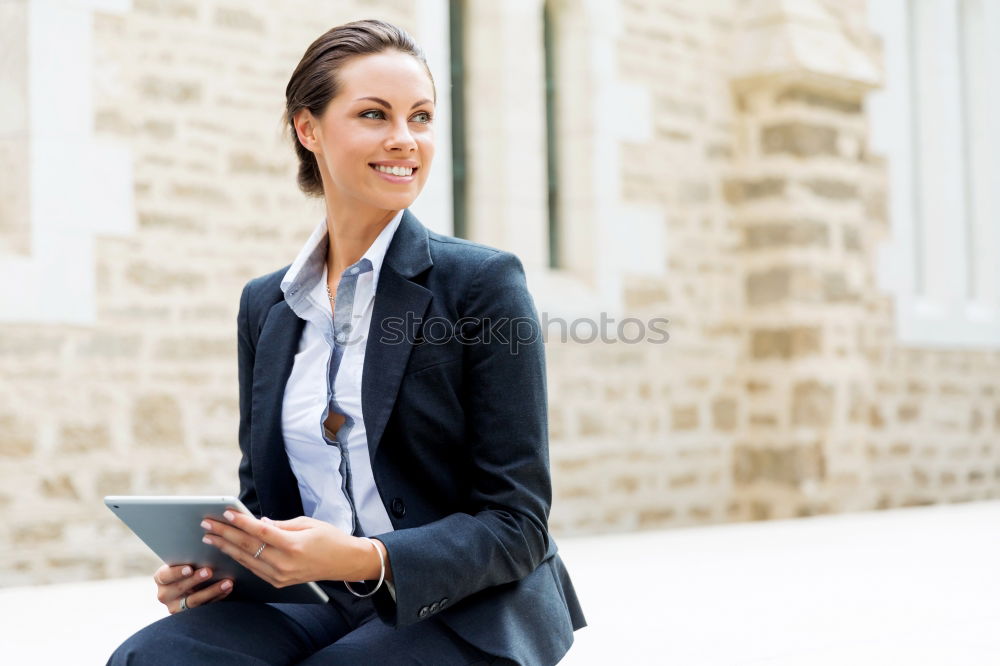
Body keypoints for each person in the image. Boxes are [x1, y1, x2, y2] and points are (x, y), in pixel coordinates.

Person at [108, 18, 586, 666]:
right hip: (315, 599)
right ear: (308, 129)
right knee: (158, 659)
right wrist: (224, 568)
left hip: (465, 601)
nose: (404, 140)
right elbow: (265, 502)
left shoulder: (482, 284)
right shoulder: (266, 304)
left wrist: (368, 557)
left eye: (420, 117)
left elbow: (518, 524)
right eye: (373, 114)